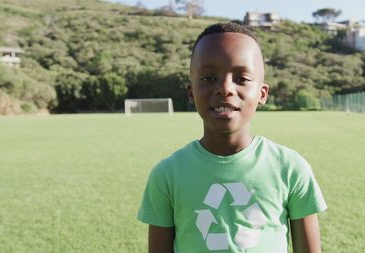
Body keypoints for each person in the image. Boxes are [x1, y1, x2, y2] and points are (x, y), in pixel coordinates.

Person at [137, 23, 327, 253]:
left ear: (262, 93)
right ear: (190, 92)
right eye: (208, 78)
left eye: (242, 78)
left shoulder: (291, 168)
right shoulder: (167, 175)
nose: (225, 88)